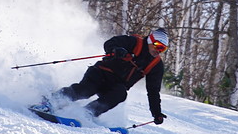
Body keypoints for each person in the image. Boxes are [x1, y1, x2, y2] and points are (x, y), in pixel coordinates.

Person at [34, 28, 169, 124]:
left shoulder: (156, 65)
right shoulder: (133, 42)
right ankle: (50, 102)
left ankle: (87, 113)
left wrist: (156, 113)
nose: (158, 50)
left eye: (162, 49)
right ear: (150, 40)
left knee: (120, 94)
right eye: (157, 45)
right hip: (101, 73)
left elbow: (153, 90)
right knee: (86, 90)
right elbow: (109, 43)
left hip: (116, 84)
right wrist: (116, 50)